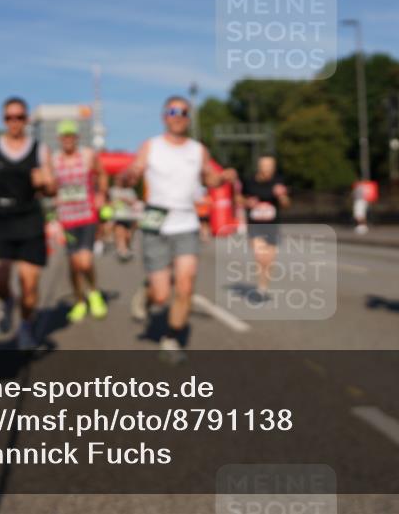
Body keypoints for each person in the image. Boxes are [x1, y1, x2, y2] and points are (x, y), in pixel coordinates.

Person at [122, 96, 237, 364]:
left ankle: (171, 338)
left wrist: (222, 177)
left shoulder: (198, 150)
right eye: (172, 111)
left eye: (184, 112)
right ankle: (149, 291)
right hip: (155, 220)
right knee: (161, 294)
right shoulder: (151, 146)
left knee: (185, 285)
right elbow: (135, 170)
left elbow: (210, 178)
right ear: (164, 116)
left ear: (188, 117)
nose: (178, 115)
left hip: (186, 222)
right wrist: (129, 176)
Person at [0, 97, 56, 349]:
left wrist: (45, 182)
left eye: (19, 117)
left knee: (29, 285)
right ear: (4, 120)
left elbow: (53, 187)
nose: (14, 122)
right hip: (1, 219)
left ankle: (27, 326)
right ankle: (8, 301)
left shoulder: (40, 150)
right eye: (9, 118)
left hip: (29, 218)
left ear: (27, 119)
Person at [51, 119, 109, 322]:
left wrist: (101, 193)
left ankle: (93, 292)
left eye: (71, 135)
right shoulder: (54, 160)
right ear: (59, 139)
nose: (68, 139)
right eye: (64, 136)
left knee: (85, 261)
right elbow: (49, 187)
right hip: (66, 219)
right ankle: (79, 300)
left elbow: (102, 174)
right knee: (74, 263)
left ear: (76, 137)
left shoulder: (87, 155)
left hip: (87, 215)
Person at [239, 155, 290, 296]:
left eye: (270, 166)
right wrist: (247, 202)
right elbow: (238, 198)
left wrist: (282, 195)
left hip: (272, 226)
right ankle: (261, 287)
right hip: (255, 225)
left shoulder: (278, 181)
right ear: (259, 166)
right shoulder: (249, 182)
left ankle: (264, 285)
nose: (267, 169)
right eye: (265, 166)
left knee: (269, 260)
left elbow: (286, 204)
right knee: (260, 257)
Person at [109, 175, 141, 262]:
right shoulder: (112, 190)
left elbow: (135, 203)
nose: (118, 181)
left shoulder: (130, 190)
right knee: (120, 231)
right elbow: (108, 203)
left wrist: (126, 200)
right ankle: (121, 250)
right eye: (117, 179)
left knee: (128, 235)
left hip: (129, 216)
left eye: (120, 179)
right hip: (118, 216)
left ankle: (126, 247)